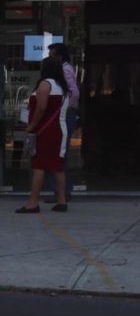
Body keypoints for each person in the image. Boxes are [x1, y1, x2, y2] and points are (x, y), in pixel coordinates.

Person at [16, 58, 70, 213]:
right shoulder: (62, 87)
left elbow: (41, 107)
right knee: (57, 166)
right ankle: (61, 201)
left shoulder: (45, 84)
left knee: (39, 166)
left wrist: (31, 125)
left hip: (45, 131)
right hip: (60, 130)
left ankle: (33, 203)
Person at [45, 43, 79, 202]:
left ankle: (61, 192)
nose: (50, 58)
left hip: (64, 114)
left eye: (52, 55)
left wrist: (63, 105)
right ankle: (59, 192)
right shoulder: (62, 70)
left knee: (59, 153)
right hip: (63, 113)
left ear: (59, 57)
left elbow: (74, 93)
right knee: (58, 153)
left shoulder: (64, 70)